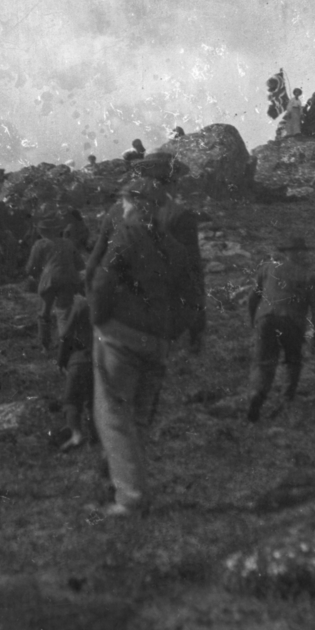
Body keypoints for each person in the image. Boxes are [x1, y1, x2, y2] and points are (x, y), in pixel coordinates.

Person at [89, 177, 205, 516]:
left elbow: (102, 280)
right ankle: (128, 489)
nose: (121, 208)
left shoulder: (125, 236)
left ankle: (130, 498)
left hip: (120, 337)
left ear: (137, 206)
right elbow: (192, 297)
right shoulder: (174, 247)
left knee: (112, 416)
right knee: (138, 419)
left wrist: (100, 320)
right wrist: (171, 332)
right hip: (157, 343)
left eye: (125, 202)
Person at [84, 151, 205, 350]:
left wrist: (96, 316)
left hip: (113, 323)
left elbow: (93, 265)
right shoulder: (181, 218)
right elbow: (193, 276)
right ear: (170, 182)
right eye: (174, 181)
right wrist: (197, 325)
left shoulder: (116, 212)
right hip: (157, 326)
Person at [246, 234, 315, 422]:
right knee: (293, 361)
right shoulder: (309, 276)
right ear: (301, 254)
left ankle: (257, 393)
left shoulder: (267, 268)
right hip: (292, 322)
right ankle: (286, 401)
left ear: (285, 253)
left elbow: (252, 298)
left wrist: (253, 321)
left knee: (263, 362)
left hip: (266, 319)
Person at [25, 212, 84, 351]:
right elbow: (80, 265)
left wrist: (34, 275)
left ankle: (45, 346)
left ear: (42, 231)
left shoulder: (40, 244)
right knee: (63, 313)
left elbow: (31, 267)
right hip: (69, 279)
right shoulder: (68, 243)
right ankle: (66, 346)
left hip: (50, 280)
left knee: (44, 313)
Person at [56, 294, 95, 450]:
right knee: (94, 401)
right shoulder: (116, 301)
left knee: (71, 400)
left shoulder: (82, 306)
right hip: (104, 358)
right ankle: (96, 435)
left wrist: (61, 360)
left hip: (81, 358)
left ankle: (77, 434)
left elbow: (65, 336)